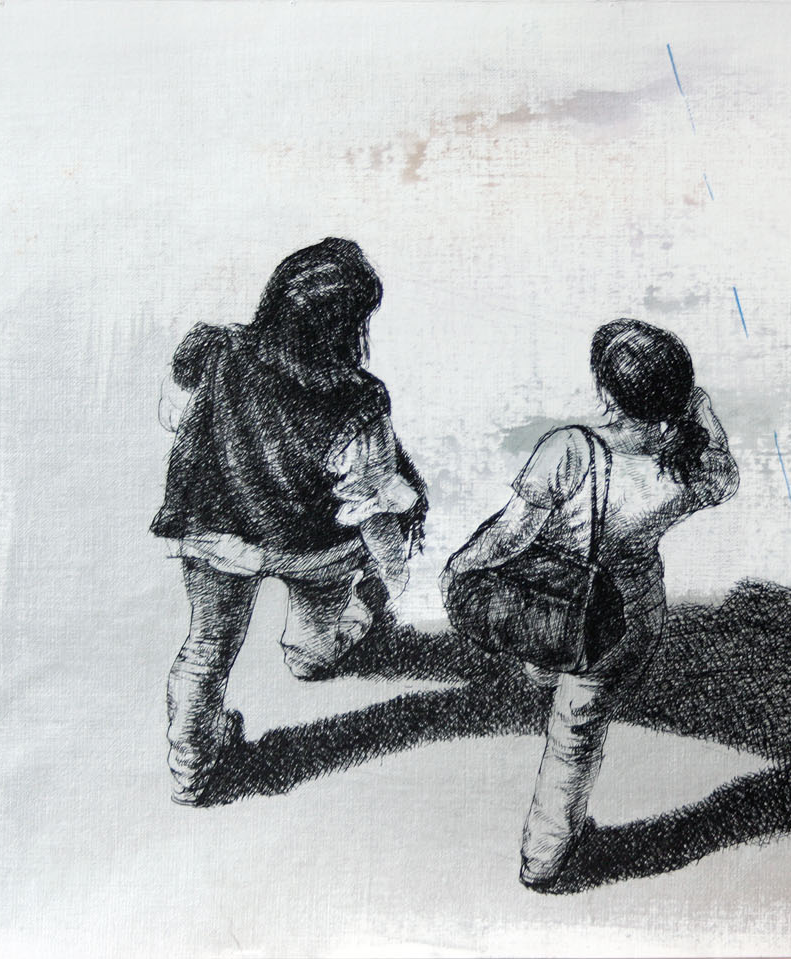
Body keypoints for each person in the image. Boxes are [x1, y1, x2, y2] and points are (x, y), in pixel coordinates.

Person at [442, 319, 739, 889]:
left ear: (607, 392)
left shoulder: (572, 449)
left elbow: (510, 536)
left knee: (554, 674)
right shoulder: (693, 463)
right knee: (578, 736)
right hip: (630, 613)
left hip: (558, 598)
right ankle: (547, 853)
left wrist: (461, 564)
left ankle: (543, 863)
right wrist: (698, 408)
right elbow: (726, 475)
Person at [150, 237, 425, 806]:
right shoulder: (360, 399)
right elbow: (370, 501)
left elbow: (173, 415)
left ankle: (191, 769)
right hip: (313, 549)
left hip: (217, 532)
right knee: (315, 645)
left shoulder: (211, 347)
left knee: (206, 649)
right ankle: (316, 651)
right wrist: (395, 572)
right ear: (349, 326)